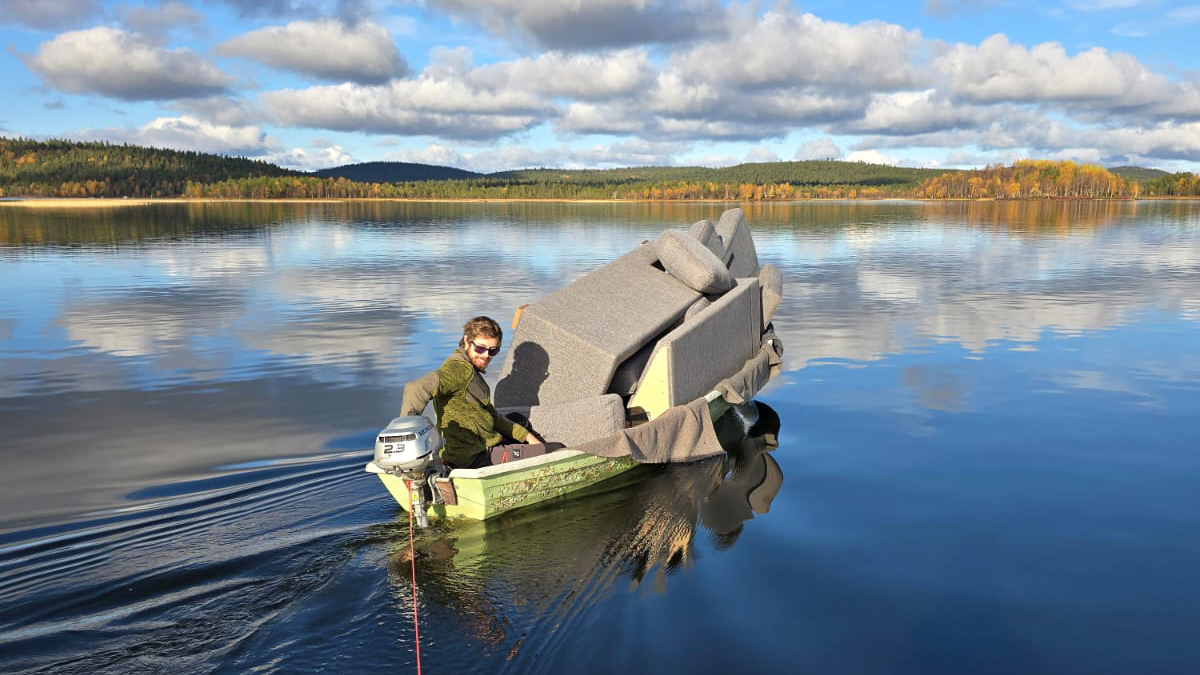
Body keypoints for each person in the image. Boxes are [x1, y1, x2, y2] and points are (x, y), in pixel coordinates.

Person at [400, 316, 558, 469]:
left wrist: (528, 437)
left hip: (478, 445)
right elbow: (416, 388)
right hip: (477, 457)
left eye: (493, 351)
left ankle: (528, 449)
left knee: (518, 420)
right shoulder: (459, 369)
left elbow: (494, 418)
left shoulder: (471, 370)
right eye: (480, 348)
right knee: (552, 450)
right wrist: (405, 436)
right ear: (467, 341)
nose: (486, 356)